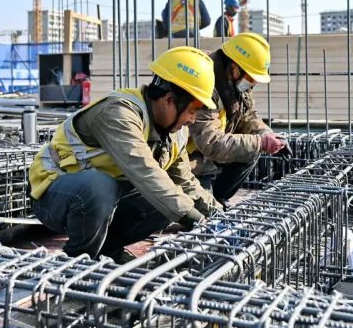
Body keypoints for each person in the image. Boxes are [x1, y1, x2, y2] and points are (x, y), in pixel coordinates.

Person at [28, 46, 223, 261]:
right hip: (55, 194)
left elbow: (186, 181)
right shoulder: (119, 113)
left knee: (167, 202)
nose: (192, 120)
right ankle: (78, 260)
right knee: (103, 187)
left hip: (104, 199)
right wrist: (195, 219)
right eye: (192, 110)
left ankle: (107, 250)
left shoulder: (174, 132)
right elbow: (145, 172)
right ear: (169, 100)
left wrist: (220, 216)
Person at [188, 32, 287, 202]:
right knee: (194, 211)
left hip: (208, 153)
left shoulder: (232, 84)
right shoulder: (205, 85)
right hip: (191, 159)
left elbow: (247, 115)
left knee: (251, 151)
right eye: (250, 77)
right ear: (234, 67)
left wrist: (266, 135)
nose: (252, 83)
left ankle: (218, 199)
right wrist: (260, 143)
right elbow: (211, 144)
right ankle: (207, 200)